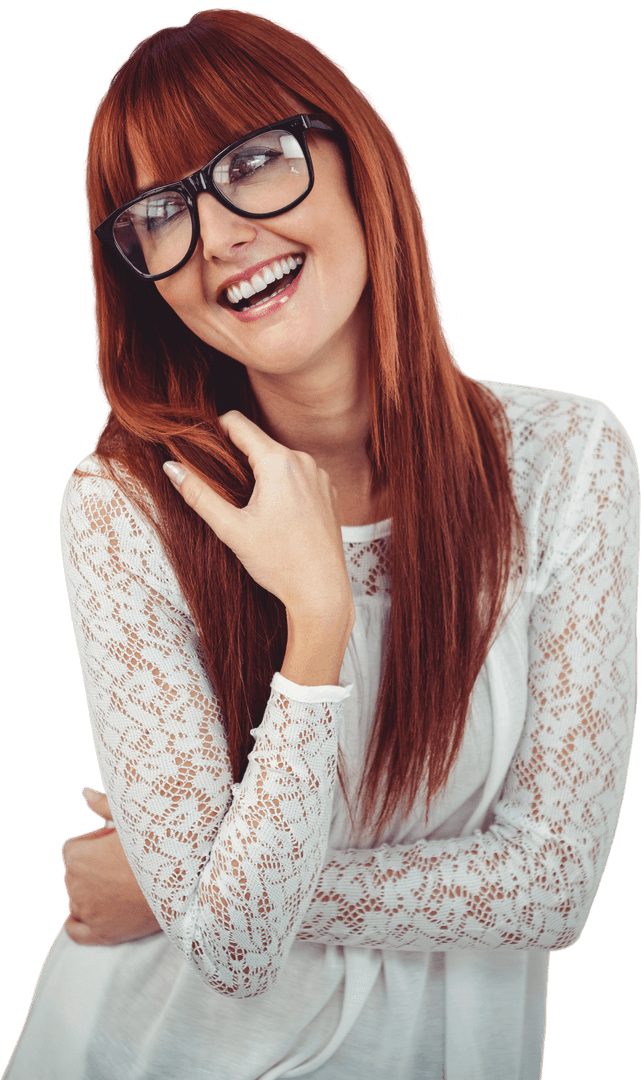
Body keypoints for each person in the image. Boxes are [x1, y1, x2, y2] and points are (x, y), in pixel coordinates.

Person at [4, 7, 638, 1080]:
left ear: (357, 157)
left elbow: (551, 887)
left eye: (253, 162)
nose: (218, 240)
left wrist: (174, 887)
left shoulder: (567, 458)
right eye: (158, 215)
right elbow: (234, 951)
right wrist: (316, 622)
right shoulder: (125, 505)